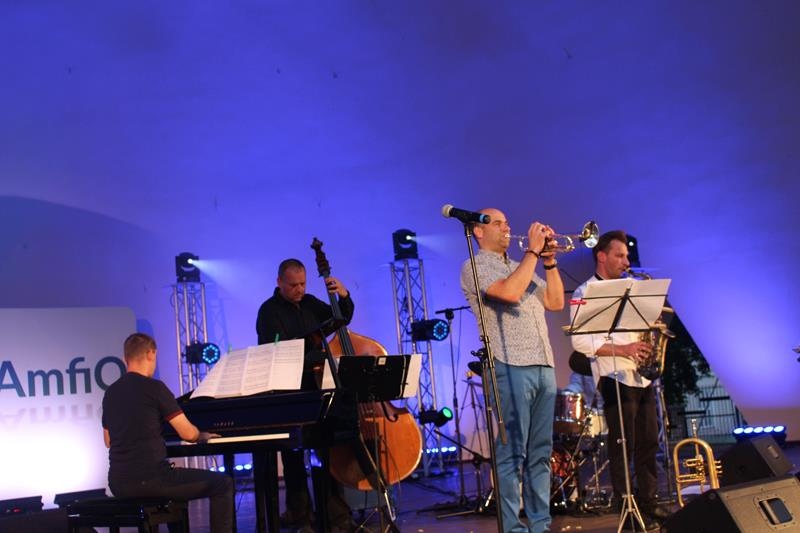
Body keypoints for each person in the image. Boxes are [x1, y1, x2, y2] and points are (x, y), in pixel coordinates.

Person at [460, 208, 564, 533]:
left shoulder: (521, 266)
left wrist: (549, 261)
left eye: (507, 223)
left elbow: (555, 302)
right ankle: (513, 529)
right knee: (511, 452)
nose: (507, 228)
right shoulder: (475, 266)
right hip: (508, 363)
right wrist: (533, 252)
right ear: (479, 231)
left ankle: (540, 525)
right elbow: (509, 292)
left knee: (541, 452)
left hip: (543, 363)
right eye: (499, 223)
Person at [569, 230, 670, 529]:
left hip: (640, 375)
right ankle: (626, 507)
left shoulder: (634, 288)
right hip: (613, 374)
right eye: (620, 255)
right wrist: (624, 349)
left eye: (627, 256)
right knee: (622, 444)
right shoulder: (584, 292)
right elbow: (580, 343)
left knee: (649, 441)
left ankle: (649, 503)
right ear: (601, 256)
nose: (627, 261)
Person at [255, 258, 355, 533]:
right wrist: (310, 346)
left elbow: (340, 318)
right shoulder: (268, 311)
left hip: (318, 388)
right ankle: (300, 517)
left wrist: (344, 296)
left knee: (326, 453)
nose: (299, 289)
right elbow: (274, 349)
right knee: (293, 459)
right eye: (293, 285)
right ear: (279, 282)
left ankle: (335, 518)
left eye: (302, 284)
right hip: (290, 391)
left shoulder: (310, 303)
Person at [102, 333, 234, 533]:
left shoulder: (111, 392)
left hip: (119, 484)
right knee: (222, 483)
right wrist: (202, 434)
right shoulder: (155, 388)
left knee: (177, 485)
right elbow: (188, 434)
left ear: (124, 359)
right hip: (152, 480)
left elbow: (108, 440)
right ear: (151, 353)